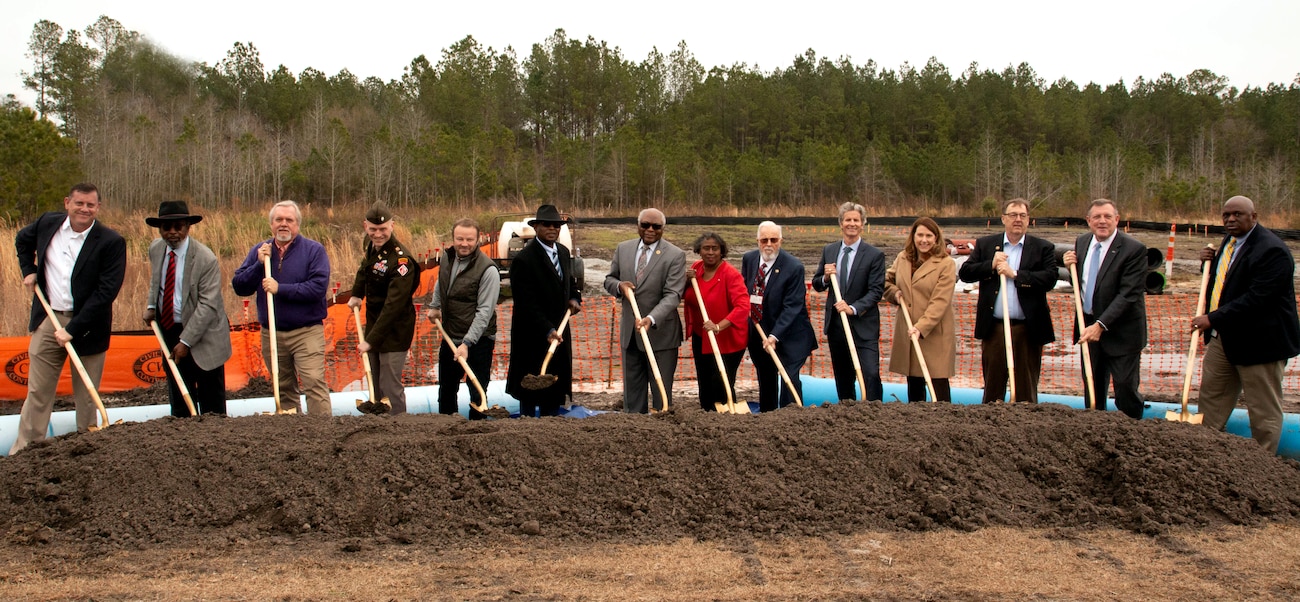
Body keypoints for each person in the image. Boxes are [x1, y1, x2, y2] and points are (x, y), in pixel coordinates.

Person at [9, 183, 126, 454]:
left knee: (86, 397)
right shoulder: (47, 224)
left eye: (90, 205)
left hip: (88, 325)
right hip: (49, 318)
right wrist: (29, 269)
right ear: (67, 203)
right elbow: (22, 240)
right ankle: (26, 452)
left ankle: (87, 452)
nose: (84, 209)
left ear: (98, 207)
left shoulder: (111, 242)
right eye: (79, 203)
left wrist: (73, 329)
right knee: (38, 392)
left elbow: (106, 292)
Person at [1191, 195, 1300, 454]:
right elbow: (1227, 283)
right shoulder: (1229, 242)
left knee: (1262, 409)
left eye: (1237, 214)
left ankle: (1263, 465)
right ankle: (1205, 457)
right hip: (1224, 339)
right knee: (1211, 402)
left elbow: (1257, 298)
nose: (1230, 219)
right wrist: (1209, 262)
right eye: (1226, 215)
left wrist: (1212, 318)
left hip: (1261, 344)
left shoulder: (1272, 250)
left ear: (1254, 216)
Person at [232, 200, 332, 415]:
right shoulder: (261, 251)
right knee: (283, 387)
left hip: (306, 331)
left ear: (297, 224)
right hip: (272, 333)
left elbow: (317, 288)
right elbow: (239, 286)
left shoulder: (314, 251)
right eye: (279, 220)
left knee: (313, 381)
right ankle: (293, 435)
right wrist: (258, 265)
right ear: (271, 224)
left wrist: (281, 289)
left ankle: (323, 434)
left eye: (289, 220)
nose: (283, 224)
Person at [957, 198, 1057, 403]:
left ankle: (1026, 426)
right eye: (1013, 215)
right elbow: (966, 273)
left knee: (1026, 389)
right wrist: (990, 265)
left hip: (1028, 328)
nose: (1017, 219)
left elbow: (1049, 279)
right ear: (1003, 218)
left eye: (1022, 215)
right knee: (993, 387)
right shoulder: (986, 245)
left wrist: (1016, 274)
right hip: (994, 328)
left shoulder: (1042, 248)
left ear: (1029, 220)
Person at [142, 200, 232, 417]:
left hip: (205, 334)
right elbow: (157, 280)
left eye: (178, 226)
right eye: (166, 228)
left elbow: (208, 305)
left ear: (187, 227)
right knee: (180, 396)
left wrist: (186, 342)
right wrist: (152, 305)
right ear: (159, 229)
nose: (172, 233)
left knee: (211, 404)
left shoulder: (205, 258)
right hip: (170, 327)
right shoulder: (156, 249)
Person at [1061, 199, 1148, 419]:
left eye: (1107, 217)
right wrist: (1069, 263)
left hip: (1122, 332)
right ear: (1089, 221)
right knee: (1092, 387)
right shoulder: (1081, 243)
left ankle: (1132, 430)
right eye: (1097, 217)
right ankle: (1095, 429)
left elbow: (1128, 294)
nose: (1102, 221)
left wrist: (1101, 325)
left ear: (1117, 220)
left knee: (1125, 388)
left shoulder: (1133, 250)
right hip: (1088, 327)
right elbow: (1087, 282)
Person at [603, 208, 686, 413]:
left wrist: (651, 318)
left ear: (663, 229)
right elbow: (609, 279)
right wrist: (619, 286)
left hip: (660, 335)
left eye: (656, 226)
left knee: (661, 391)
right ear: (638, 226)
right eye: (645, 225)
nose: (650, 230)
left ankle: (662, 430)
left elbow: (673, 294)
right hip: (630, 335)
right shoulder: (624, 249)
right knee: (632, 392)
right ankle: (635, 429)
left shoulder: (675, 255)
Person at [506, 205, 583, 417]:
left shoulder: (563, 252)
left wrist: (575, 298)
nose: (552, 228)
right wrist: (547, 330)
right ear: (536, 227)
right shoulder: (524, 259)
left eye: (556, 225)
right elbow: (525, 303)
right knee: (530, 390)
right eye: (546, 224)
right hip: (533, 335)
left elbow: (570, 283)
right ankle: (528, 426)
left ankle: (551, 425)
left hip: (559, 330)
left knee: (555, 388)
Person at [349, 203, 421, 415]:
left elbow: (393, 306)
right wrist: (356, 293)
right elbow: (365, 268)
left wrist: (370, 340)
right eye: (373, 229)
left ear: (392, 226)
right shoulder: (372, 245)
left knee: (390, 386)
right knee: (375, 384)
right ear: (365, 227)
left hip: (394, 332)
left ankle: (399, 428)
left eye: (383, 229)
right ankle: (379, 428)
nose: (378, 234)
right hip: (374, 326)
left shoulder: (401, 261)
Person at [812, 202, 885, 401]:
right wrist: (826, 278)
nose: (851, 224)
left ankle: (874, 412)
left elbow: (876, 291)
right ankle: (847, 416)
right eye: (848, 220)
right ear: (841, 224)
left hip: (863, 327)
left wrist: (853, 308)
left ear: (863, 224)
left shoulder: (874, 255)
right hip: (837, 327)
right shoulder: (830, 250)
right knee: (843, 378)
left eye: (856, 220)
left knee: (870, 374)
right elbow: (817, 284)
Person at [742, 221, 817, 411]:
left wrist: (775, 336)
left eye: (773, 240)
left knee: (788, 379)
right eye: (764, 240)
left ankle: (791, 418)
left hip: (791, 335)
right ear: (757, 240)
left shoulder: (794, 267)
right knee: (765, 378)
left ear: (780, 241)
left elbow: (792, 306)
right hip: (760, 332)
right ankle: (767, 418)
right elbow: (745, 291)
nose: (769, 244)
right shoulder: (749, 259)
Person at [427, 217, 496, 419]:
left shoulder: (488, 269)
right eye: (459, 239)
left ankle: (477, 437)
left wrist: (467, 343)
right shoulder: (448, 257)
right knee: (446, 393)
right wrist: (435, 306)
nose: (464, 244)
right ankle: (447, 434)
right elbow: (442, 281)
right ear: (453, 239)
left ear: (478, 240)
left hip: (479, 341)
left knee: (477, 393)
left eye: (469, 239)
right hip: (450, 336)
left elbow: (484, 312)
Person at [884, 217, 956, 402]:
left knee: (938, 385)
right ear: (913, 237)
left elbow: (940, 302)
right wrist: (894, 293)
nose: (924, 240)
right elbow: (886, 281)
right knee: (914, 383)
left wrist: (921, 327)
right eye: (920, 235)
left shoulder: (946, 264)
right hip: (909, 329)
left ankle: (945, 422)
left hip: (933, 333)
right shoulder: (903, 258)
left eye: (929, 236)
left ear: (936, 238)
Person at [683, 232, 749, 412]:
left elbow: (743, 306)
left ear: (722, 252)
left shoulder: (730, 274)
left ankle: (727, 418)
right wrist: (686, 281)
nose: (710, 252)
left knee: (720, 383)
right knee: (704, 382)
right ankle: (707, 417)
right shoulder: (697, 269)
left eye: (715, 248)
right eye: (706, 248)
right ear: (699, 251)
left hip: (727, 340)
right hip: (702, 336)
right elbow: (685, 295)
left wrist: (719, 325)